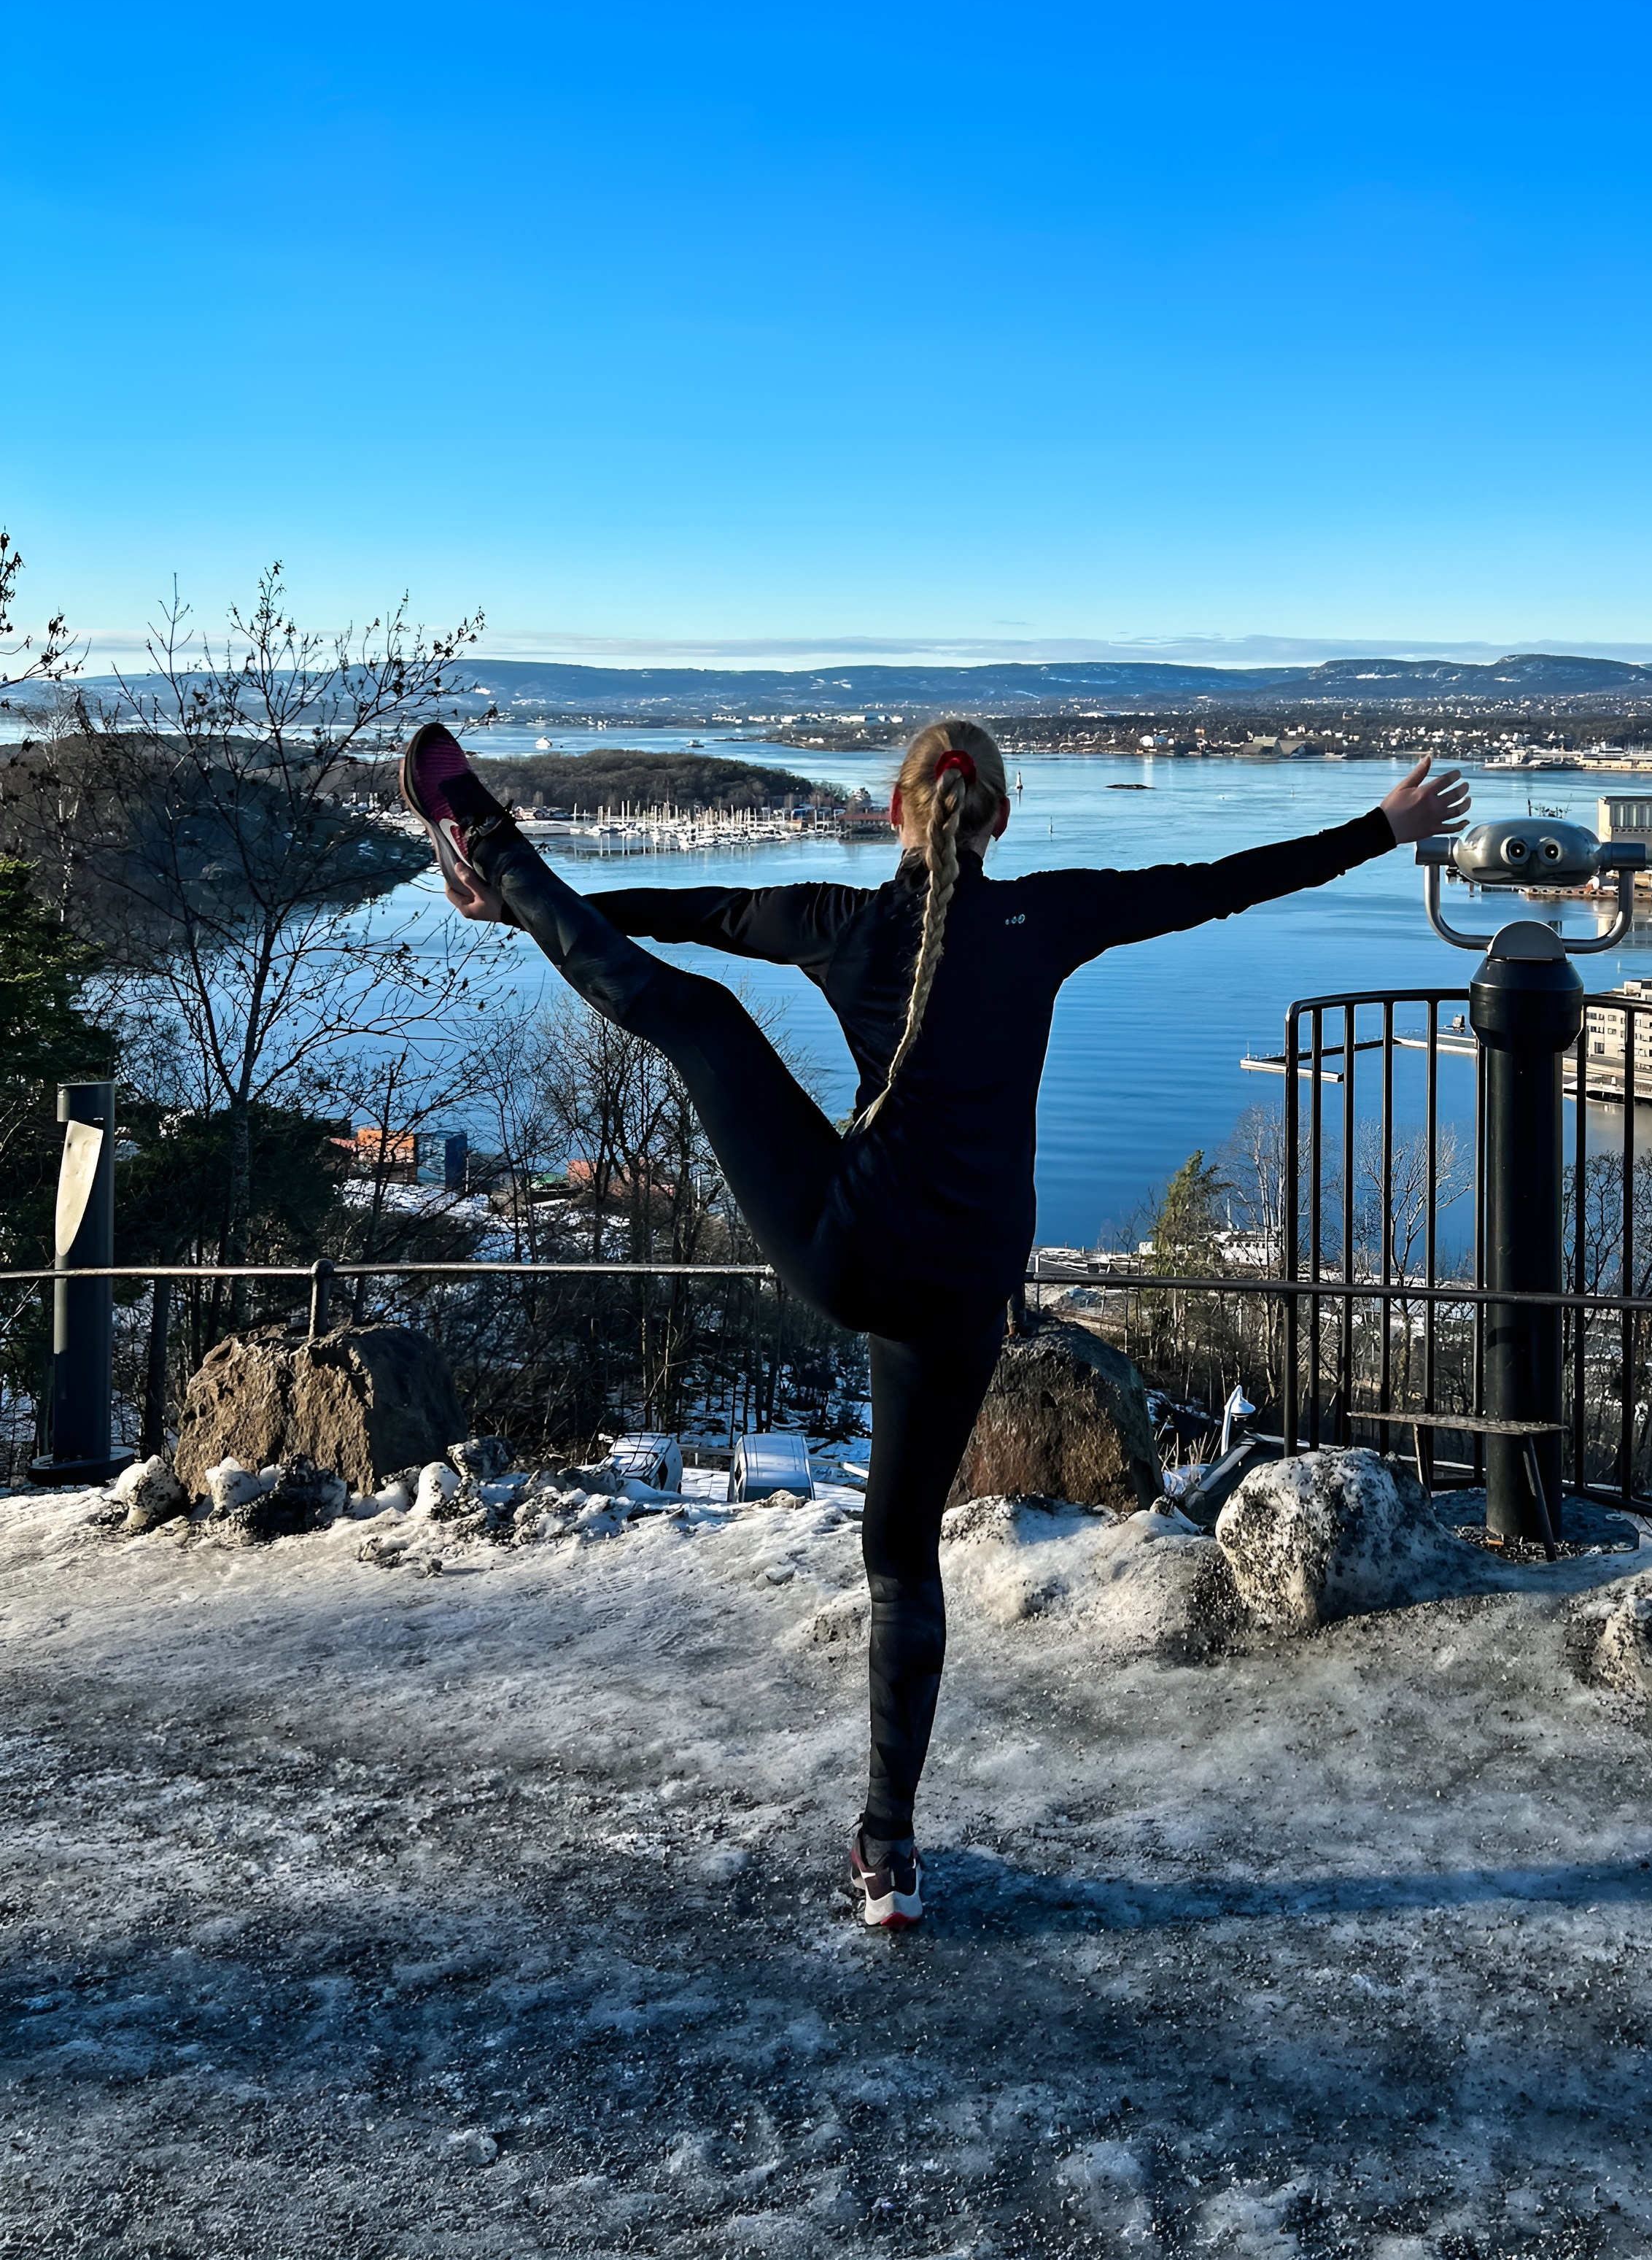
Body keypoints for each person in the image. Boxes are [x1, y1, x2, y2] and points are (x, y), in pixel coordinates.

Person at [400, 719, 1467, 1927]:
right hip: (965, 1287)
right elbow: (1215, 884)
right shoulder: (1047, 918)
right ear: (997, 821)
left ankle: (493, 846)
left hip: (848, 1246)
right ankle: (890, 1848)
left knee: (694, 1016)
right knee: (903, 1559)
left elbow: (684, 915)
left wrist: (526, 906)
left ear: (897, 813)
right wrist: (1380, 829)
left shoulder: (840, 922)